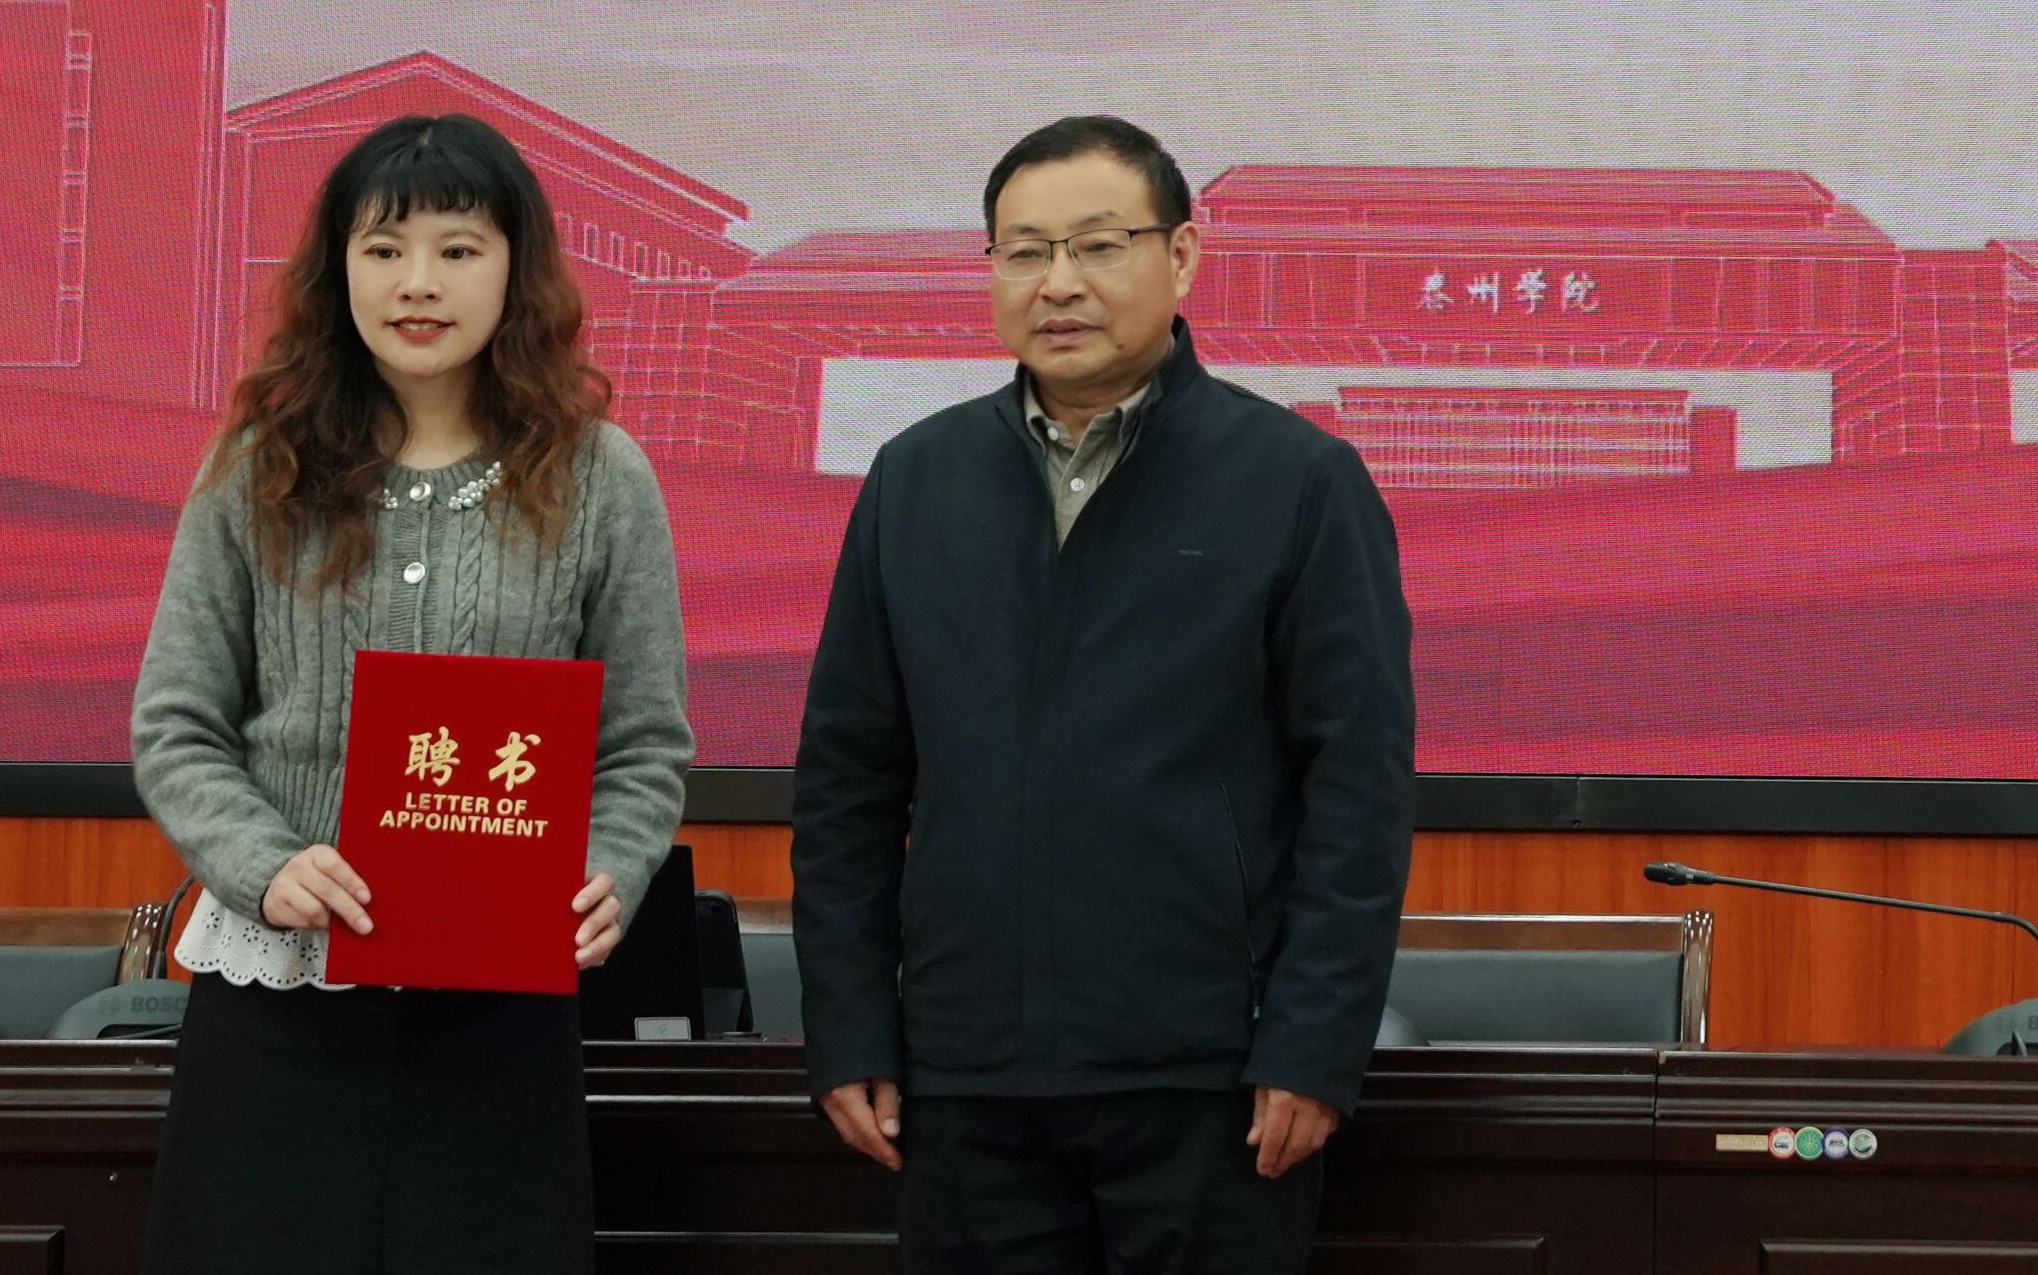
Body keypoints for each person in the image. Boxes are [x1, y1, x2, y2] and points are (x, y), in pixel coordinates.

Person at [791, 112, 1418, 1275]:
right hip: (963, 1078)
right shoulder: (915, 480)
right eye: (1025, 250)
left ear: (1181, 255)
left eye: (1097, 243)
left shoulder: (1297, 481)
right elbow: (847, 783)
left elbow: (1358, 786)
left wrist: (1313, 1043)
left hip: (1212, 1083)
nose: (1059, 282)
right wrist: (850, 1025)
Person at [132, 111, 695, 1275]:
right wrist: (264, 862)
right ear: (338, 269)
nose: (418, 281)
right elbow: (178, 724)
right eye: (383, 248)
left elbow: (643, 744)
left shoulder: (601, 476)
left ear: (516, 268)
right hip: (281, 1003)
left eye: (458, 247)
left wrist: (613, 866)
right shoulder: (259, 465)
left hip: (499, 1011)